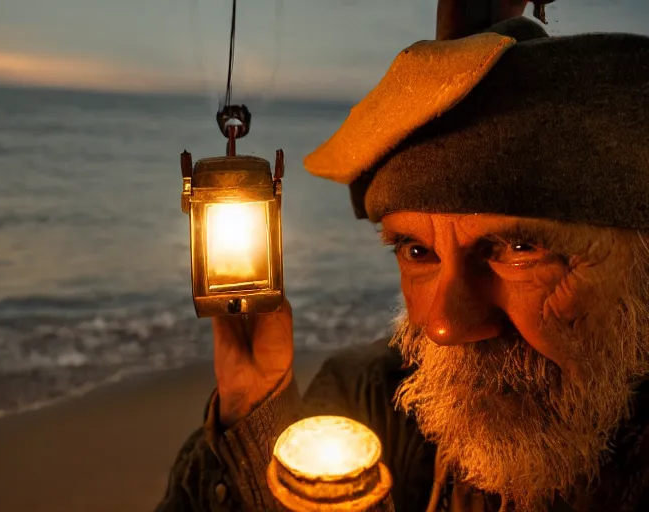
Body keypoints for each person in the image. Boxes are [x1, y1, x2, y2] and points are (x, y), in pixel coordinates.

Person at [156, 3, 649, 511]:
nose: (443, 326)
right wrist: (255, 411)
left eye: (521, 250)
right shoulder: (371, 400)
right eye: (417, 251)